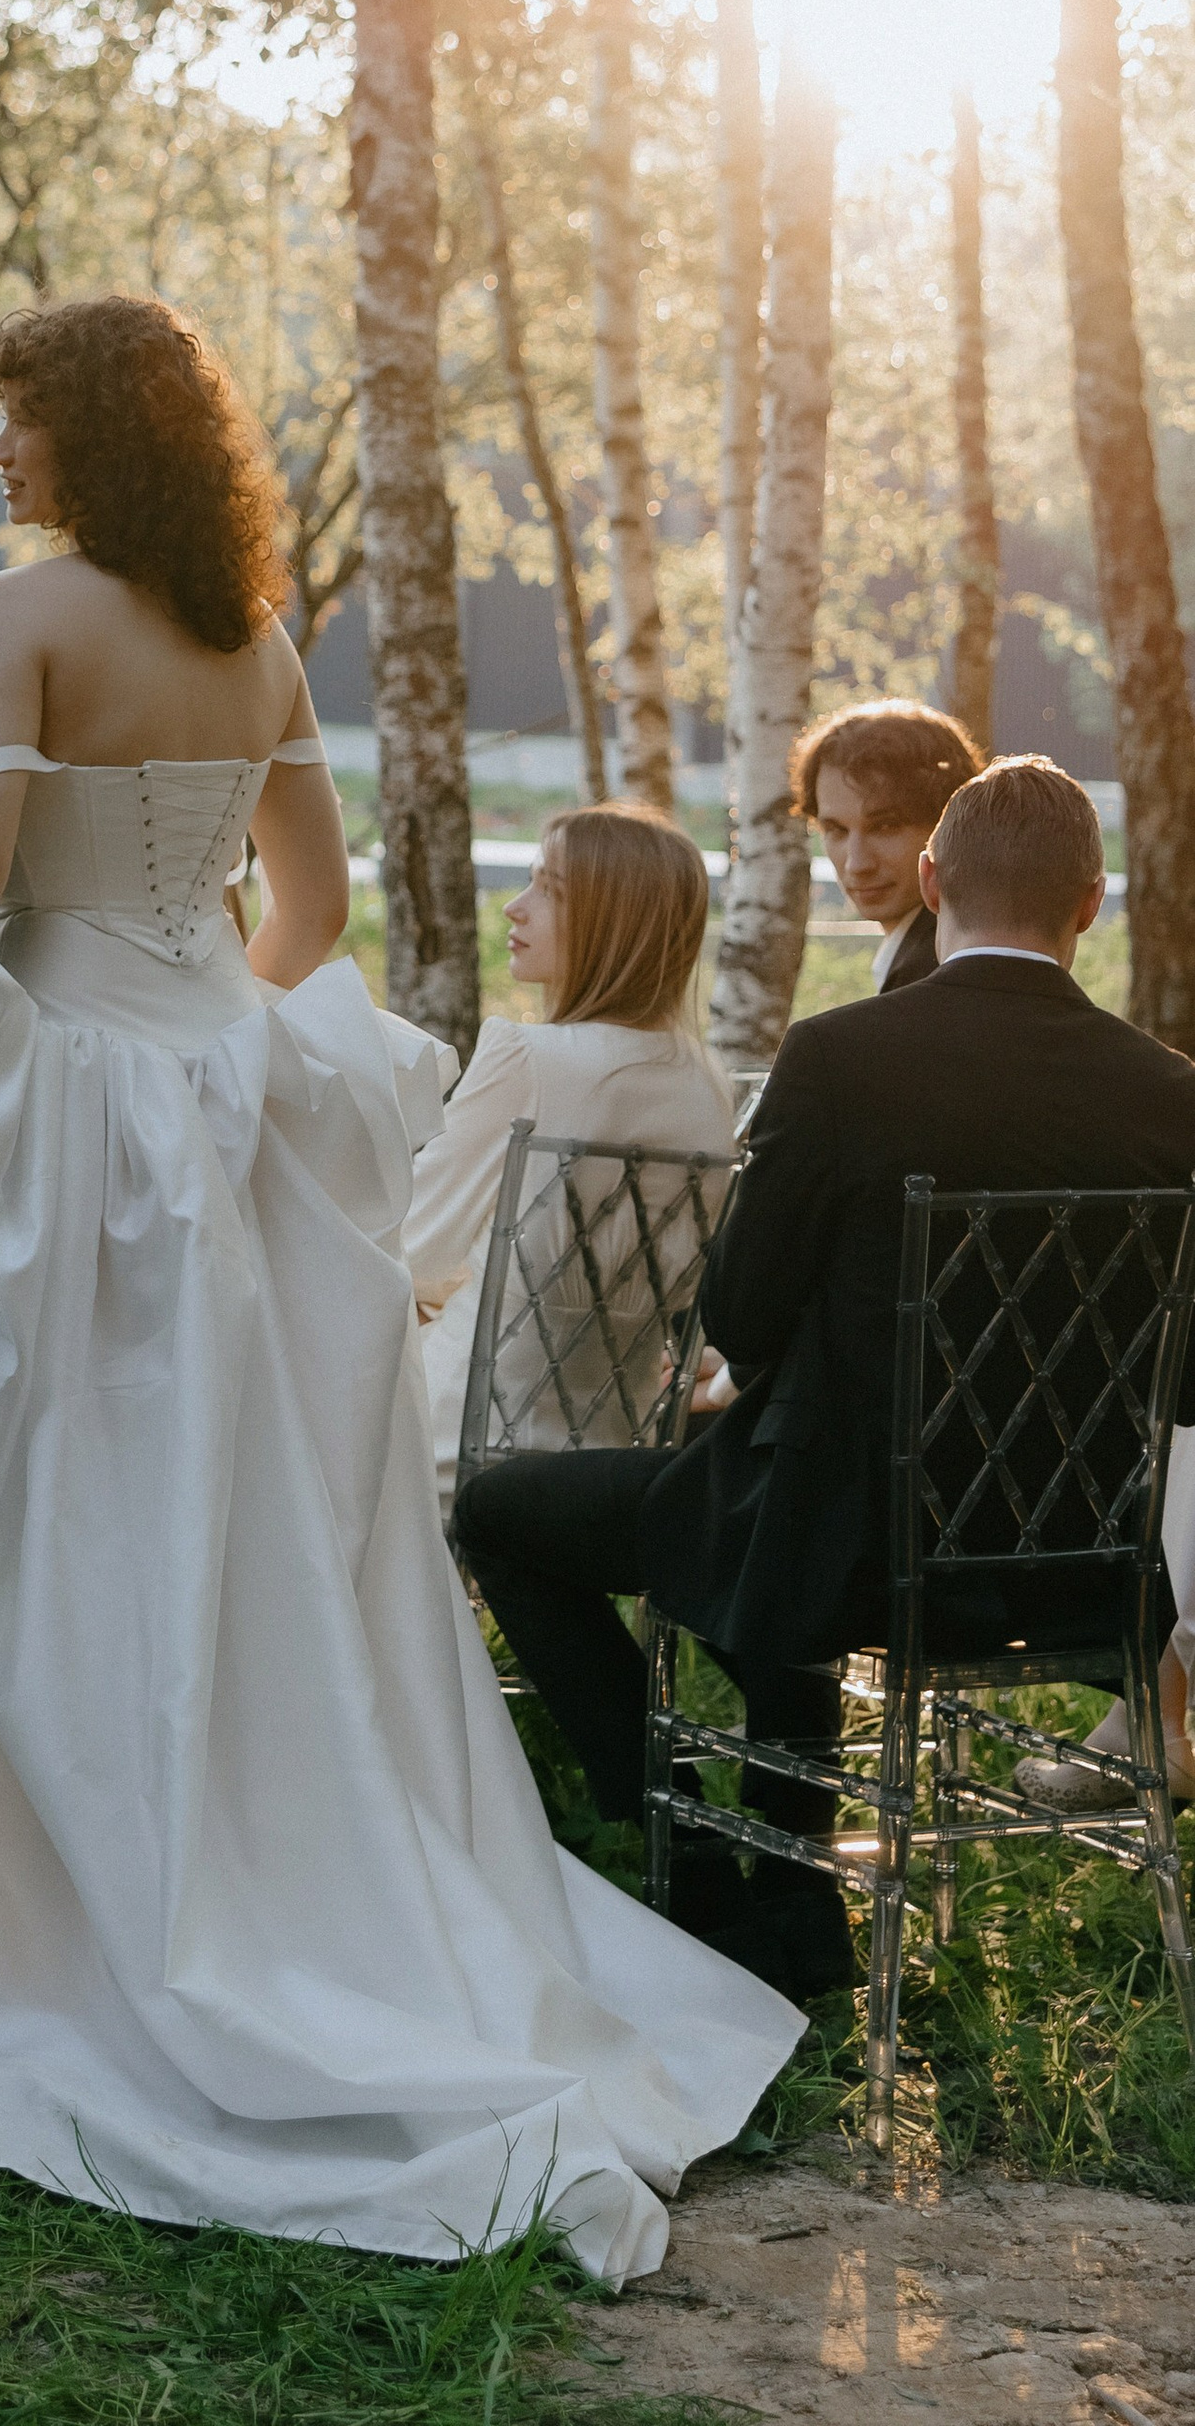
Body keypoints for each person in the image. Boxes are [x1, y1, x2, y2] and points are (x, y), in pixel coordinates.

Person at [0, 293, 799, 2284]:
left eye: (15, 424)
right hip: (212, 1110)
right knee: (236, 1515)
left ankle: (59, 1910)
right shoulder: (252, 637)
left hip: (65, 1115)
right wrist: (200, 1050)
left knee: (52, 1500)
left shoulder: (19, 612)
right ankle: (270, 1854)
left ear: (89, 436)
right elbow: (312, 908)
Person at [457, 754, 1195, 2007]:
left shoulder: (841, 1057)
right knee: (774, 1489)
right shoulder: (1172, 1094)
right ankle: (792, 1892)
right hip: (1080, 1572)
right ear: (1089, 903)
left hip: (841, 1551)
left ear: (931, 881)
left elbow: (741, 1315)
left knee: (507, 1513)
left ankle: (697, 1859)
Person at [401, 805, 733, 1507]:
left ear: (612, 922)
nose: (514, 907)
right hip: (617, 1455)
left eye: (548, 890)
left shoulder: (528, 1055)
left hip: (456, 1440)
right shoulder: (709, 1086)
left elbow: (412, 1246)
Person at [795, 699, 986, 995]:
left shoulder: (937, 976)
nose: (857, 864)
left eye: (885, 827)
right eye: (836, 830)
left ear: (949, 823)